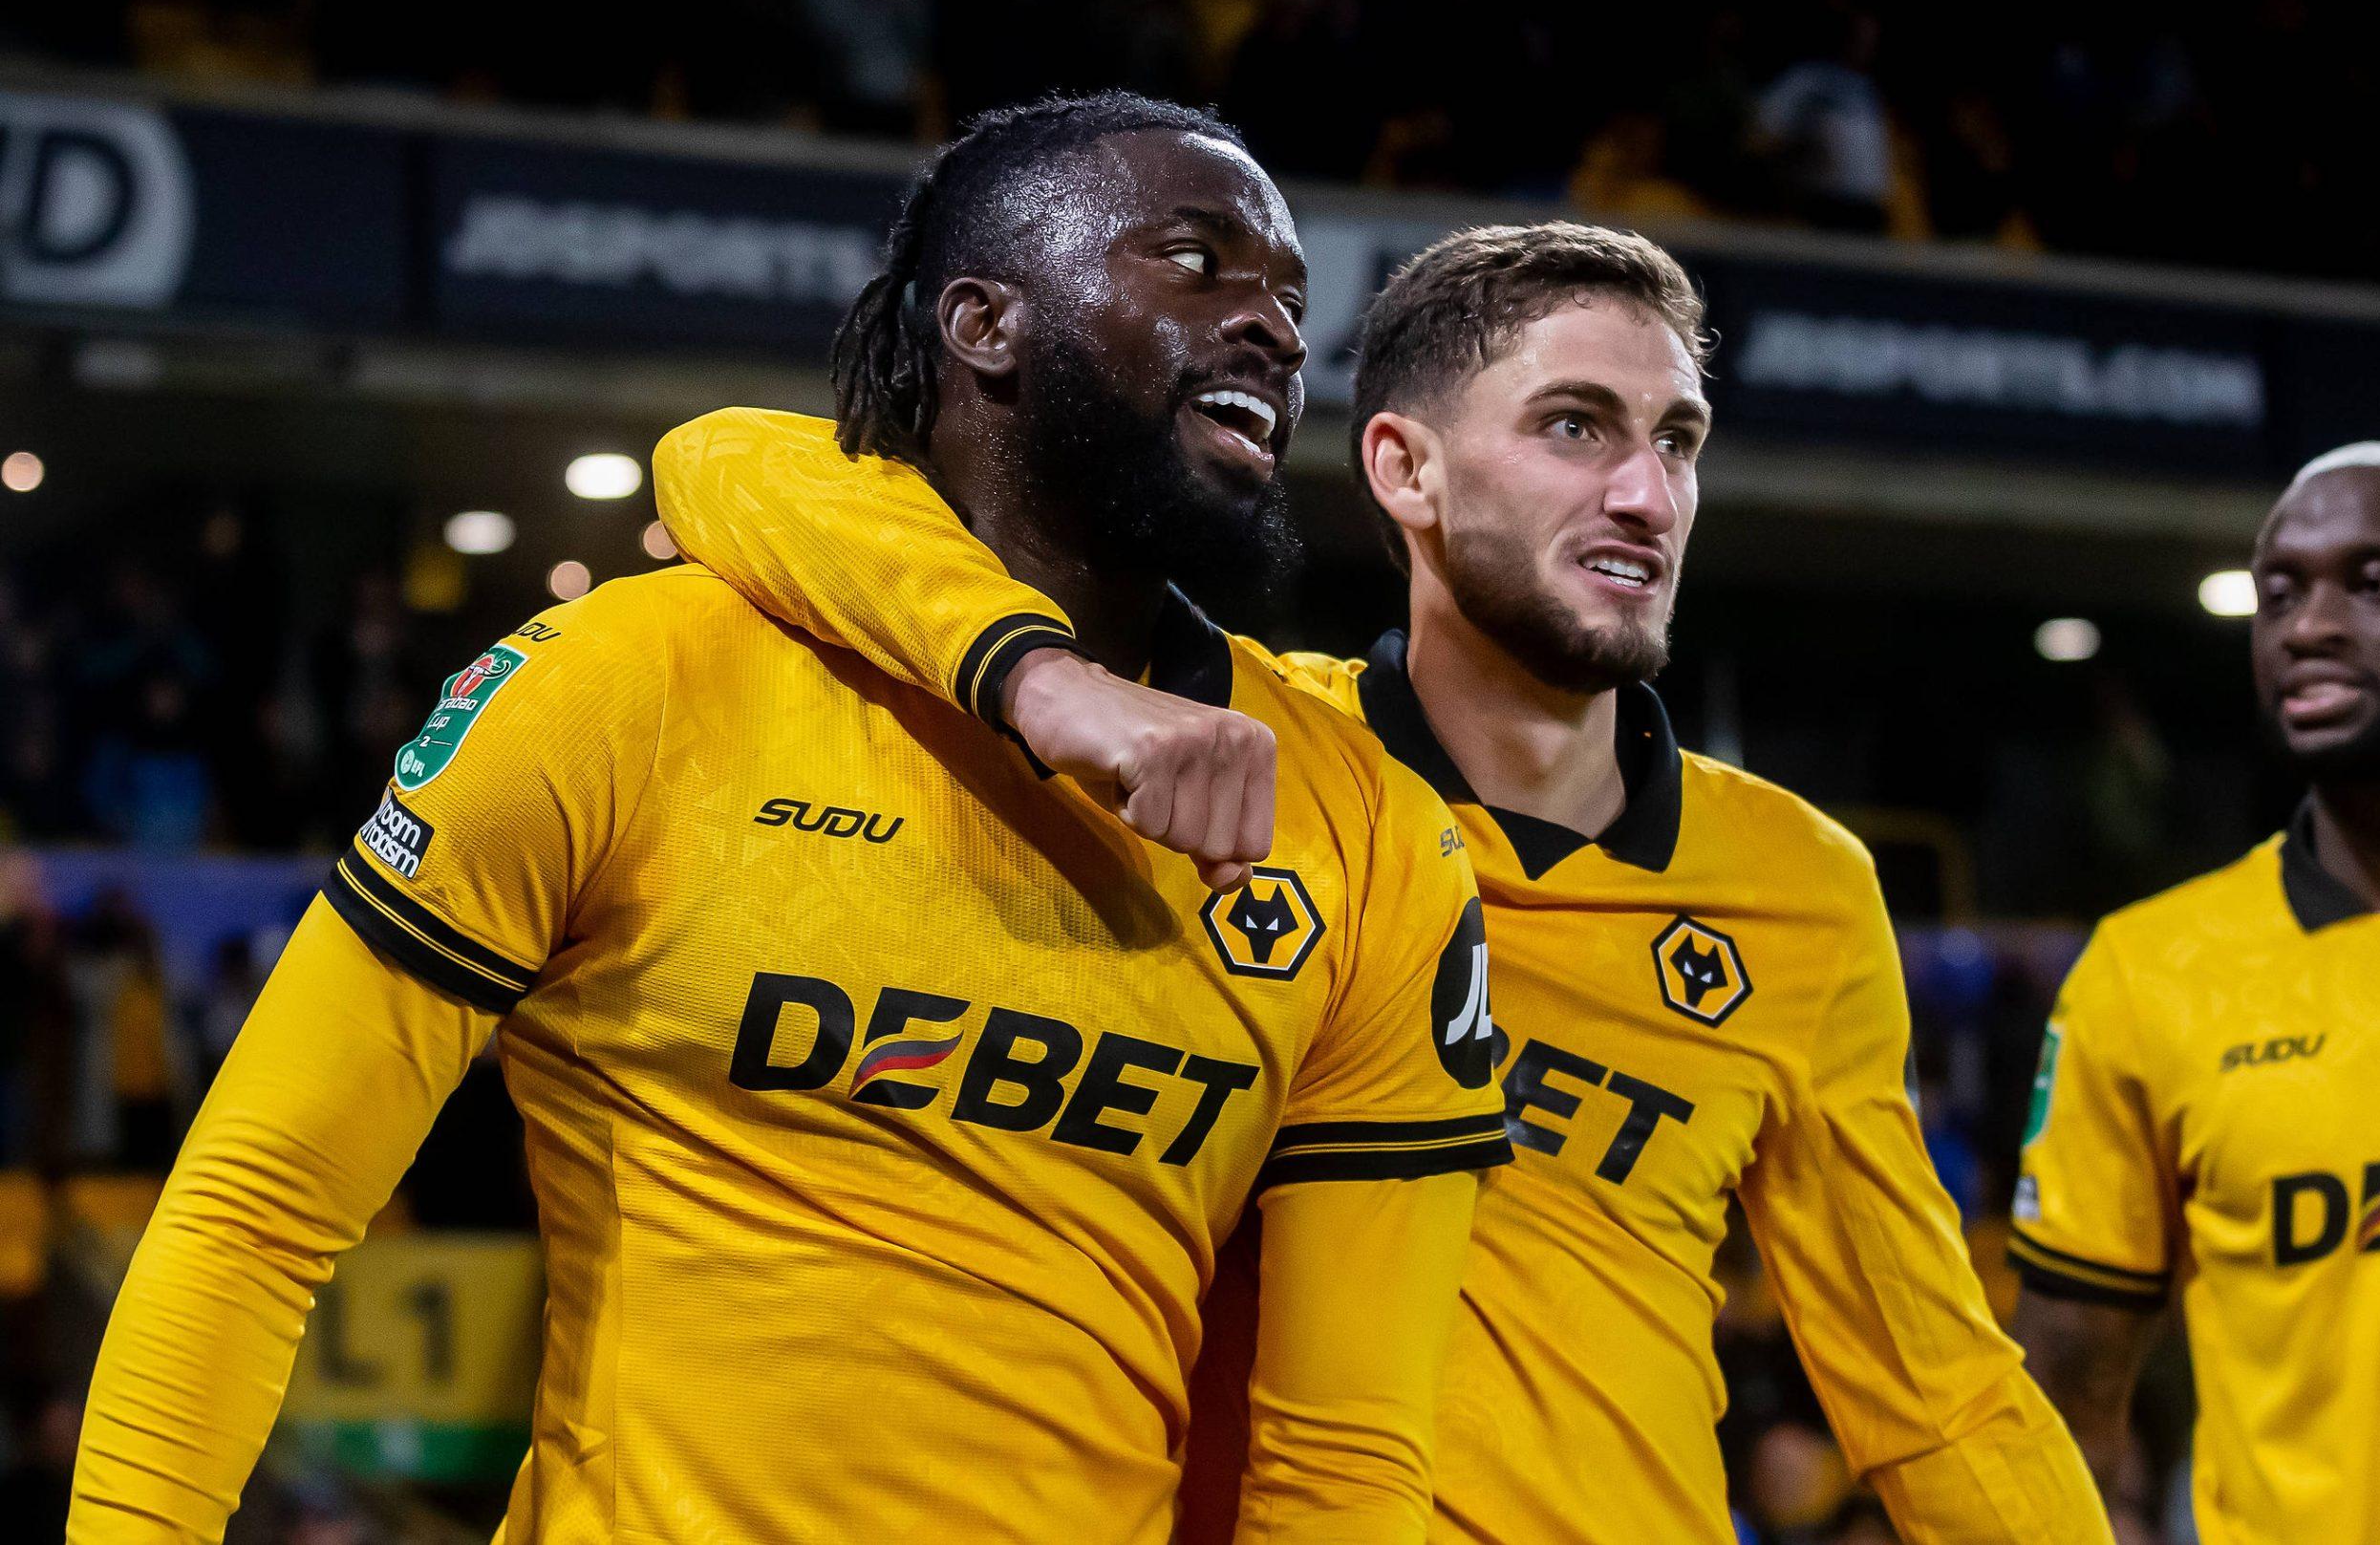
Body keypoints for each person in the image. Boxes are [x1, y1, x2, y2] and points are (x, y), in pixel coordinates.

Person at [69, 95, 1511, 1544]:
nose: (1269, 323)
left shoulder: (1368, 830)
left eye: (1289, 294)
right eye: (1195, 263)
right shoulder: (633, 683)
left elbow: (1344, 1459)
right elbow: (256, 1210)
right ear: (984, 324)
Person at [653, 220, 2112, 1542]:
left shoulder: (1801, 884)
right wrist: (1039, 679)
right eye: (1575, 424)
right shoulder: (1235, 759)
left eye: (1678, 439)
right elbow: (738, 465)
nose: (1644, 491)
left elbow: (1937, 1388)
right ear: (1405, 467)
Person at [2011, 441, 2380, 1544]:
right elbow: (2065, 1396)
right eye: (2280, 593)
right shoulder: (2149, 972)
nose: (2308, 626)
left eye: (2374, 583)